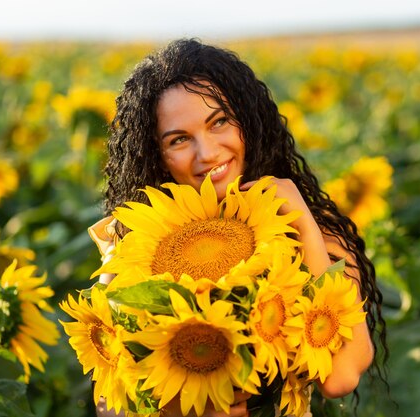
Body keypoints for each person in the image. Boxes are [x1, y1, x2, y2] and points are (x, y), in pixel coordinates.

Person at [89, 38, 388, 417]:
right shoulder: (137, 243)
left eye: (219, 122)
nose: (208, 152)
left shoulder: (313, 232)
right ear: (158, 156)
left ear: (247, 120)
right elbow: (109, 402)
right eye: (179, 140)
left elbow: (340, 378)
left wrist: (305, 227)